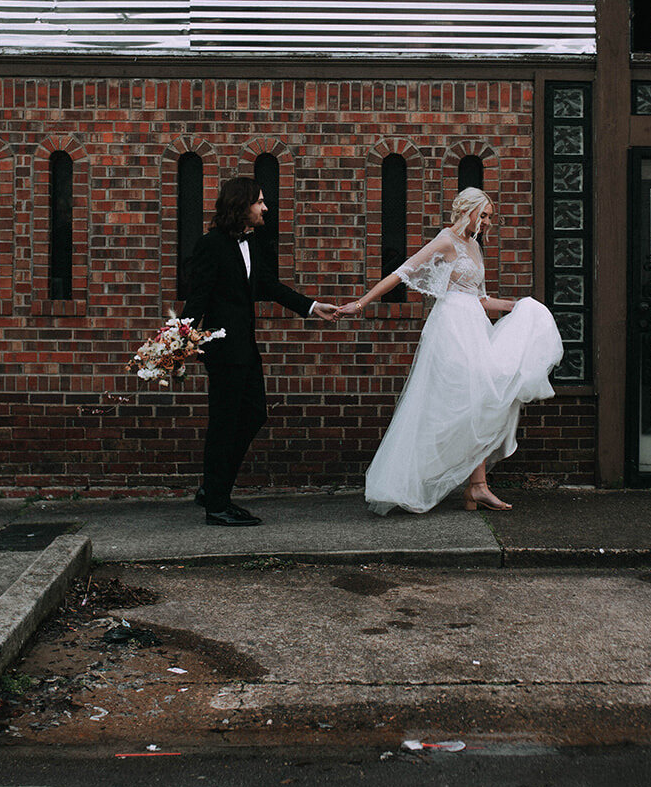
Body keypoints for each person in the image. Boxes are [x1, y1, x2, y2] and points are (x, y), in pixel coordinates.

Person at [340, 187, 563, 514]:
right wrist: (361, 304)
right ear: (468, 211)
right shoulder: (447, 240)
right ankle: (440, 484)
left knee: (482, 399)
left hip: (474, 327)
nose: (487, 222)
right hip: (450, 330)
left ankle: (477, 486)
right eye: (483, 215)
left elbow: (482, 299)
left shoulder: (475, 246)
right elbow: (400, 273)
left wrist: (520, 306)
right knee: (461, 402)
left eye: (489, 217)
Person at [183, 176, 338, 526]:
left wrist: (312, 307)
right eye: (260, 202)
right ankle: (217, 506)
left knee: (253, 414)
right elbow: (198, 297)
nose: (265, 208)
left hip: (246, 348)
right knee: (224, 424)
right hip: (222, 350)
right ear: (242, 205)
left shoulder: (252, 242)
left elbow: (267, 284)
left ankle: (213, 487)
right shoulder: (211, 245)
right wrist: (179, 341)